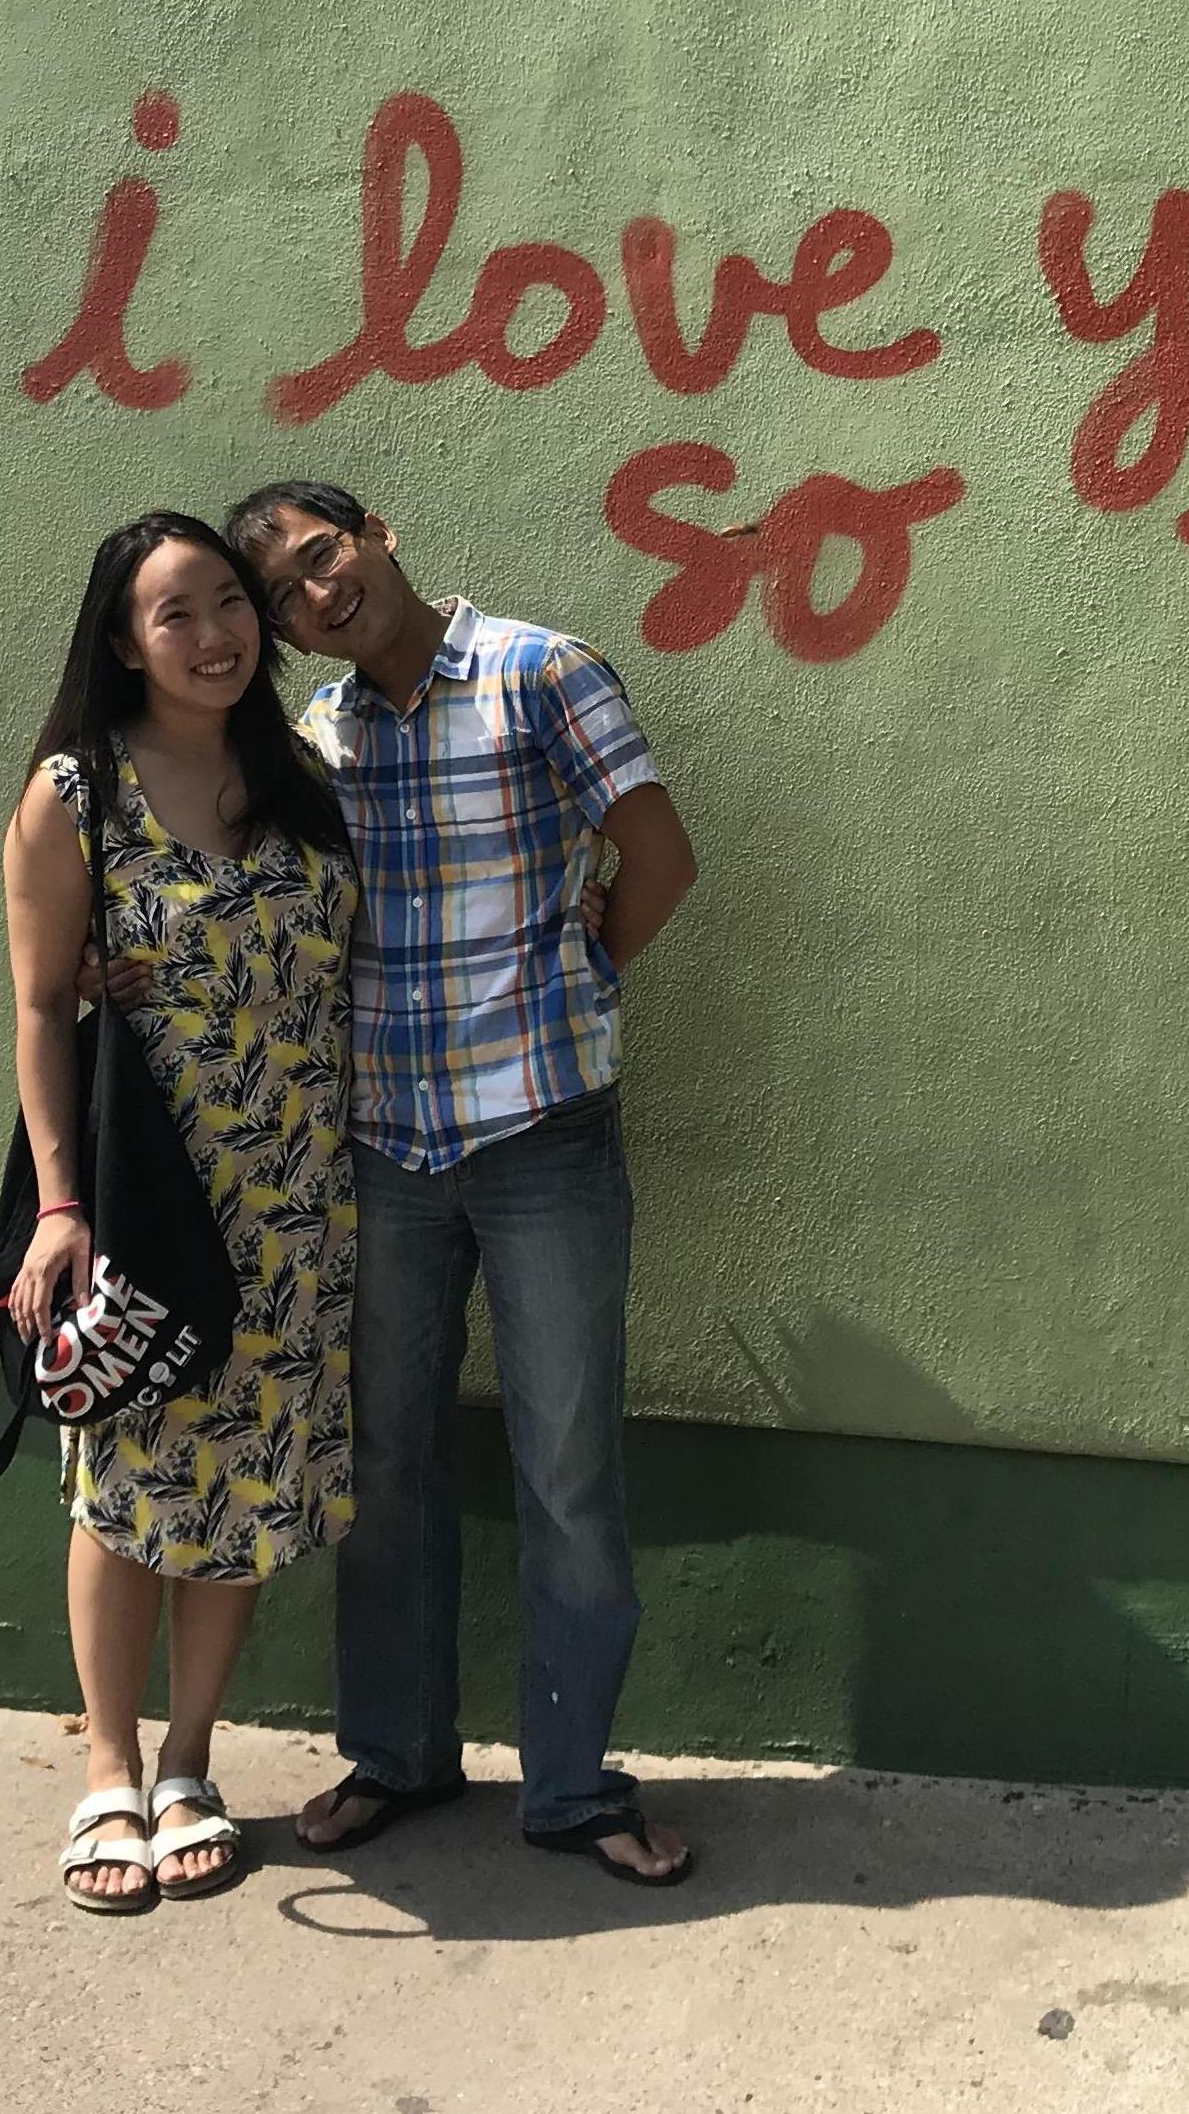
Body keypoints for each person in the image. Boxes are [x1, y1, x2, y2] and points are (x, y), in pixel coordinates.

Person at [223, 479, 701, 1887]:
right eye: (289, 594)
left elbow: (661, 859)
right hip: (387, 1150)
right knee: (387, 1464)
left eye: (326, 556)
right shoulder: (325, 737)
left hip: (542, 1136)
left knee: (566, 1465)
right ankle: (397, 1755)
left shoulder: (542, 673)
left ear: (381, 534)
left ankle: (572, 1786)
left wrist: (571, 981)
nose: (318, 594)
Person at [4, 511, 360, 1916]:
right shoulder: (76, 790)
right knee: (129, 1472)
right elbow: (38, 1005)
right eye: (176, 614)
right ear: (120, 640)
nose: (216, 636)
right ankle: (108, 1763)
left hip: (300, 1202)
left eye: (231, 603)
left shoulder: (303, 773)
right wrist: (59, 1203)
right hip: (154, 1194)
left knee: (248, 1479)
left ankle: (191, 1764)